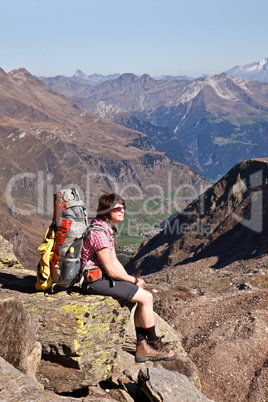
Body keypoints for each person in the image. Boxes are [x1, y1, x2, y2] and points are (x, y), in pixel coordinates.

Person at [81, 193, 177, 362]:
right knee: (147, 297)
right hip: (94, 281)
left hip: (100, 278)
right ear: (106, 211)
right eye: (118, 208)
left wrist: (130, 280)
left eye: (123, 207)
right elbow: (111, 270)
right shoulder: (99, 233)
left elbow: (114, 261)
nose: (122, 211)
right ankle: (153, 344)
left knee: (139, 295)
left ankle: (142, 346)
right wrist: (133, 281)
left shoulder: (105, 228)